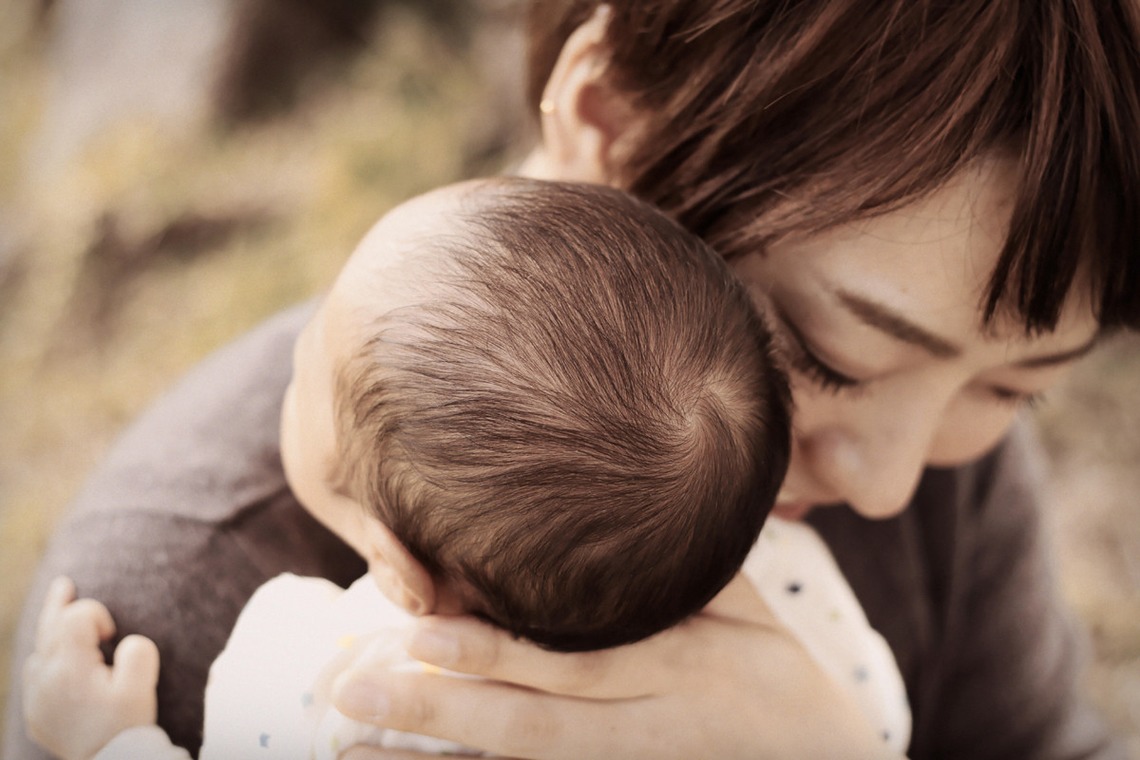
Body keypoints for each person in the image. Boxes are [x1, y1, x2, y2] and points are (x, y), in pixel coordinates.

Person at [5, 0, 1138, 758]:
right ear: (607, 121)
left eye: (1017, 388)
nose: (894, 484)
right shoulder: (177, 606)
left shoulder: (931, 435)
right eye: (824, 356)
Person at [20, 177, 902, 759]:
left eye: (310, 367)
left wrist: (107, 742)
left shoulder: (334, 681)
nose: (293, 349)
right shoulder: (787, 603)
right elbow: (882, 724)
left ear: (400, 571)